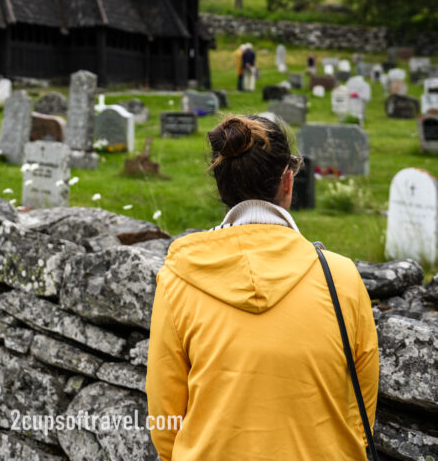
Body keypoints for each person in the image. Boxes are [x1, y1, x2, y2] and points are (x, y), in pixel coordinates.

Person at [146, 113, 378, 461]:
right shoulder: (341, 277)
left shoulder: (178, 278)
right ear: (287, 181)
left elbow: (165, 421)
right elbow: (363, 412)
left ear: (222, 186)